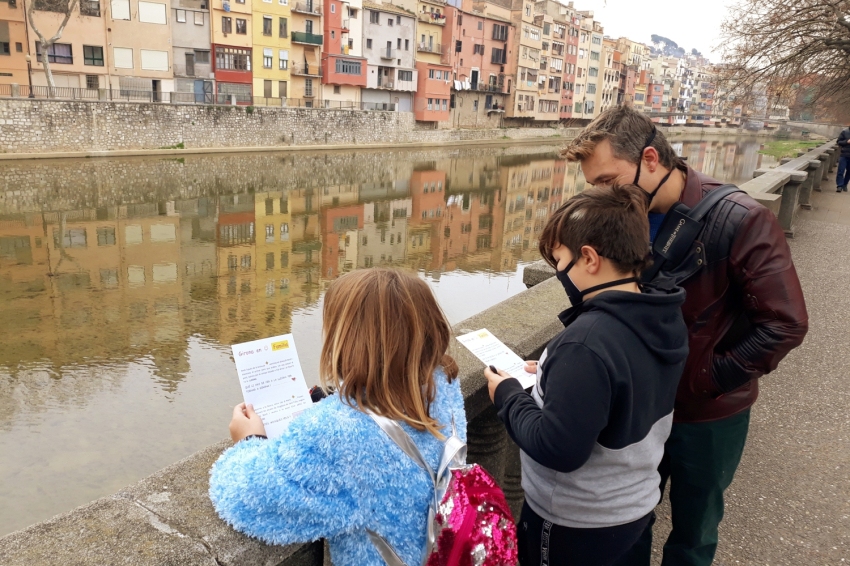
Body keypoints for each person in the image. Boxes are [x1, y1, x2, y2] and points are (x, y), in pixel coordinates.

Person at [559, 105, 808, 566]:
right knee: (629, 522)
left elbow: (786, 324)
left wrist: (703, 380)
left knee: (694, 531)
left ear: (650, 158)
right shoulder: (624, 216)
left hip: (708, 415)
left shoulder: (739, 218)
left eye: (609, 181)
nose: (601, 195)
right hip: (638, 411)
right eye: (594, 185)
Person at [484, 184, 689, 566]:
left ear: (590, 258)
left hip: (576, 522)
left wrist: (508, 395)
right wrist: (550, 372)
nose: (559, 272)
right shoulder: (660, 312)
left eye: (560, 261)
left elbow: (558, 449)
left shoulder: (587, 345)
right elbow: (619, 386)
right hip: (633, 504)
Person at [209, 268, 467, 566]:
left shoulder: (339, 431)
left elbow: (250, 498)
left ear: (348, 339)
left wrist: (249, 440)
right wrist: (334, 400)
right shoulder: (443, 382)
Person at [836, 126, 850, 192]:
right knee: (841, 170)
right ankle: (839, 185)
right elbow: (839, 142)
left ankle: (845, 184)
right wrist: (847, 142)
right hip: (844, 154)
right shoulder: (845, 132)